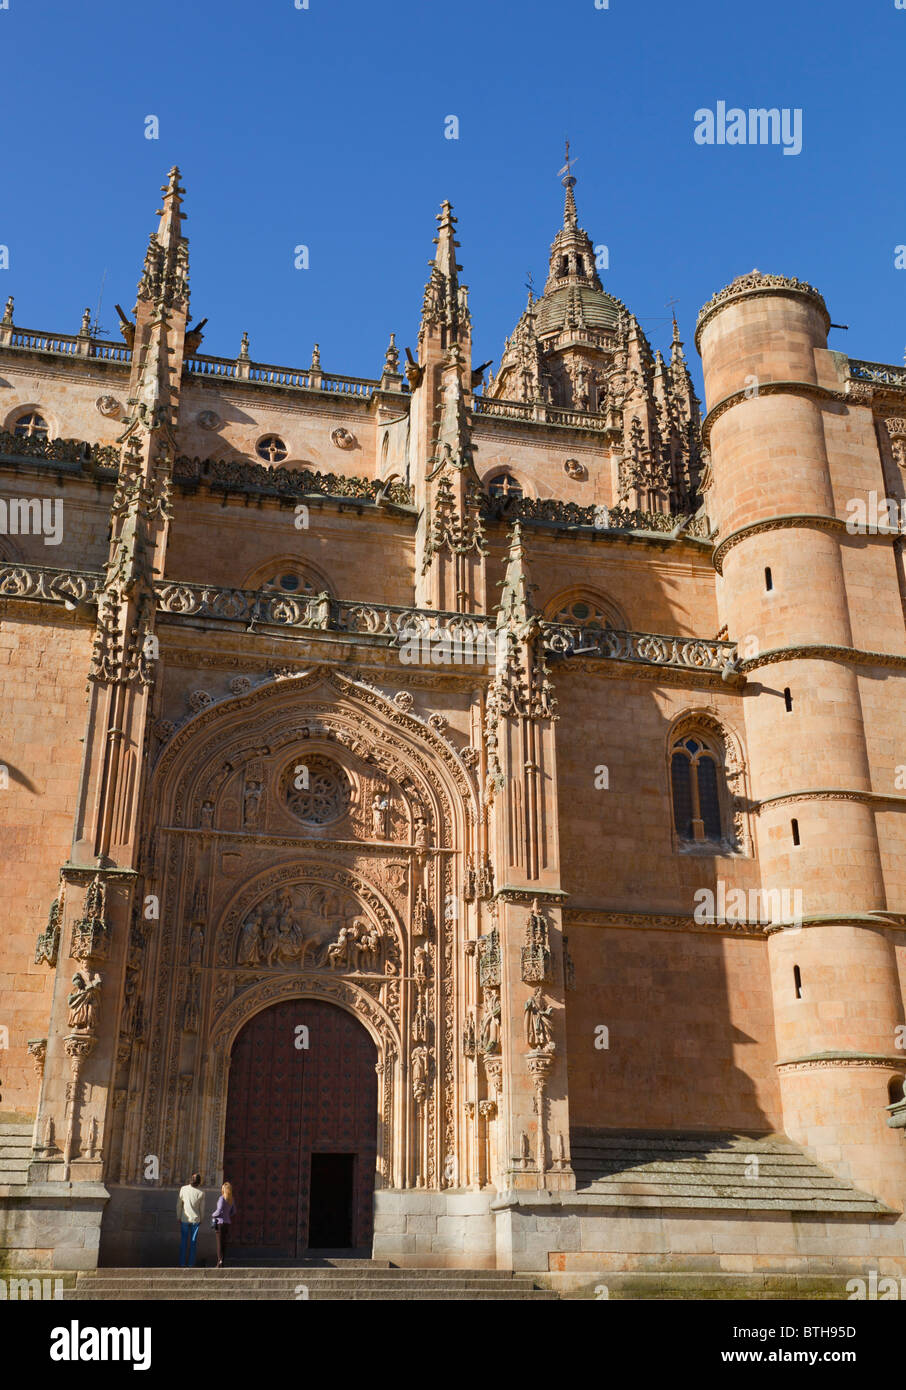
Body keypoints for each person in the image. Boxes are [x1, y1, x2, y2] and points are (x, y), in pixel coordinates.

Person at [177, 1172, 205, 1267]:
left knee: (183, 1242)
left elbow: (179, 1205)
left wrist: (178, 1216)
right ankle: (190, 1264)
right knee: (193, 1243)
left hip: (184, 1219)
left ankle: (182, 1263)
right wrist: (202, 1218)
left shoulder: (183, 1189)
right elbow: (202, 1208)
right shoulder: (201, 1193)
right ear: (199, 1182)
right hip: (195, 1220)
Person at [212, 1181, 236, 1268]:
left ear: (223, 1189)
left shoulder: (221, 1198)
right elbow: (234, 1211)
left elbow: (218, 1211)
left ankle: (219, 1262)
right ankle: (222, 1261)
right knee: (224, 1243)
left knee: (219, 1243)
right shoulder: (231, 1199)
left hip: (220, 1223)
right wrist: (227, 1215)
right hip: (227, 1223)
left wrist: (213, 1215)